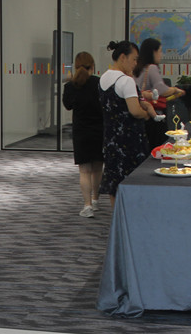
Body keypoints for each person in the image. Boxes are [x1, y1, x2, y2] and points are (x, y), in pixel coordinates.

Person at [99, 40, 154, 207]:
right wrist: (147, 114)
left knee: (114, 182)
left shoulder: (104, 77)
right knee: (132, 181)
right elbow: (135, 110)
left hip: (111, 138)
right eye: (134, 59)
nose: (136, 63)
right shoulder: (126, 81)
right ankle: (131, 216)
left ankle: (116, 217)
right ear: (123, 57)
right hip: (130, 140)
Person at [62, 51, 103, 218]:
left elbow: (68, 106)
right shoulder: (99, 83)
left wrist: (70, 80)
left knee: (84, 171)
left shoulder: (71, 86)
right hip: (99, 130)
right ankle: (95, 200)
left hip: (81, 131)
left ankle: (87, 206)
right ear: (92, 66)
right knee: (98, 168)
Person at [134, 38, 186, 147]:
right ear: (153, 52)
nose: (161, 55)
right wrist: (175, 90)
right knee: (158, 147)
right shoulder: (152, 68)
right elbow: (161, 90)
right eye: (160, 51)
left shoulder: (137, 68)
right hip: (154, 117)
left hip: (141, 114)